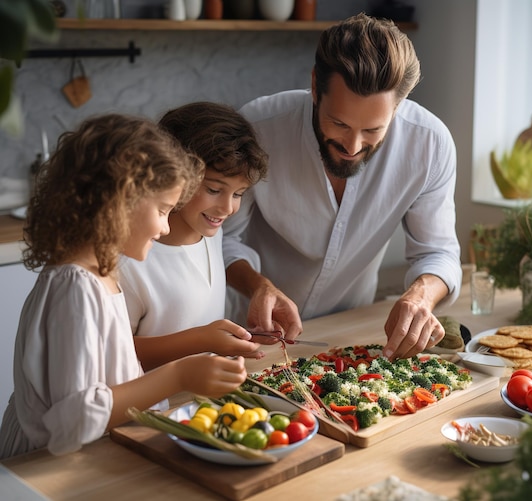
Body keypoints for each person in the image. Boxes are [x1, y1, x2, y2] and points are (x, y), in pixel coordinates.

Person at [0, 114, 248, 459]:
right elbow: (74, 420)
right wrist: (178, 376)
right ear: (119, 202)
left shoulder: (101, 271)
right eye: (163, 210)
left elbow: (111, 376)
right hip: (40, 467)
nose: (164, 227)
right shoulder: (75, 287)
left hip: (88, 457)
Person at [223, 13, 462, 361]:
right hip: (252, 336)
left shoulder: (430, 144)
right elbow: (222, 238)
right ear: (316, 86)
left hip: (348, 333)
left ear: (398, 107)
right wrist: (258, 285)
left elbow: (438, 253)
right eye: (339, 123)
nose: (352, 146)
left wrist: (420, 295)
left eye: (372, 131)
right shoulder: (259, 129)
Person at [118, 102, 300, 372]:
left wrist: (234, 339)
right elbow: (116, 352)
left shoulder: (211, 234)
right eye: (214, 189)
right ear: (172, 175)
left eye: (238, 194)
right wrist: (202, 341)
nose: (228, 208)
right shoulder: (131, 259)